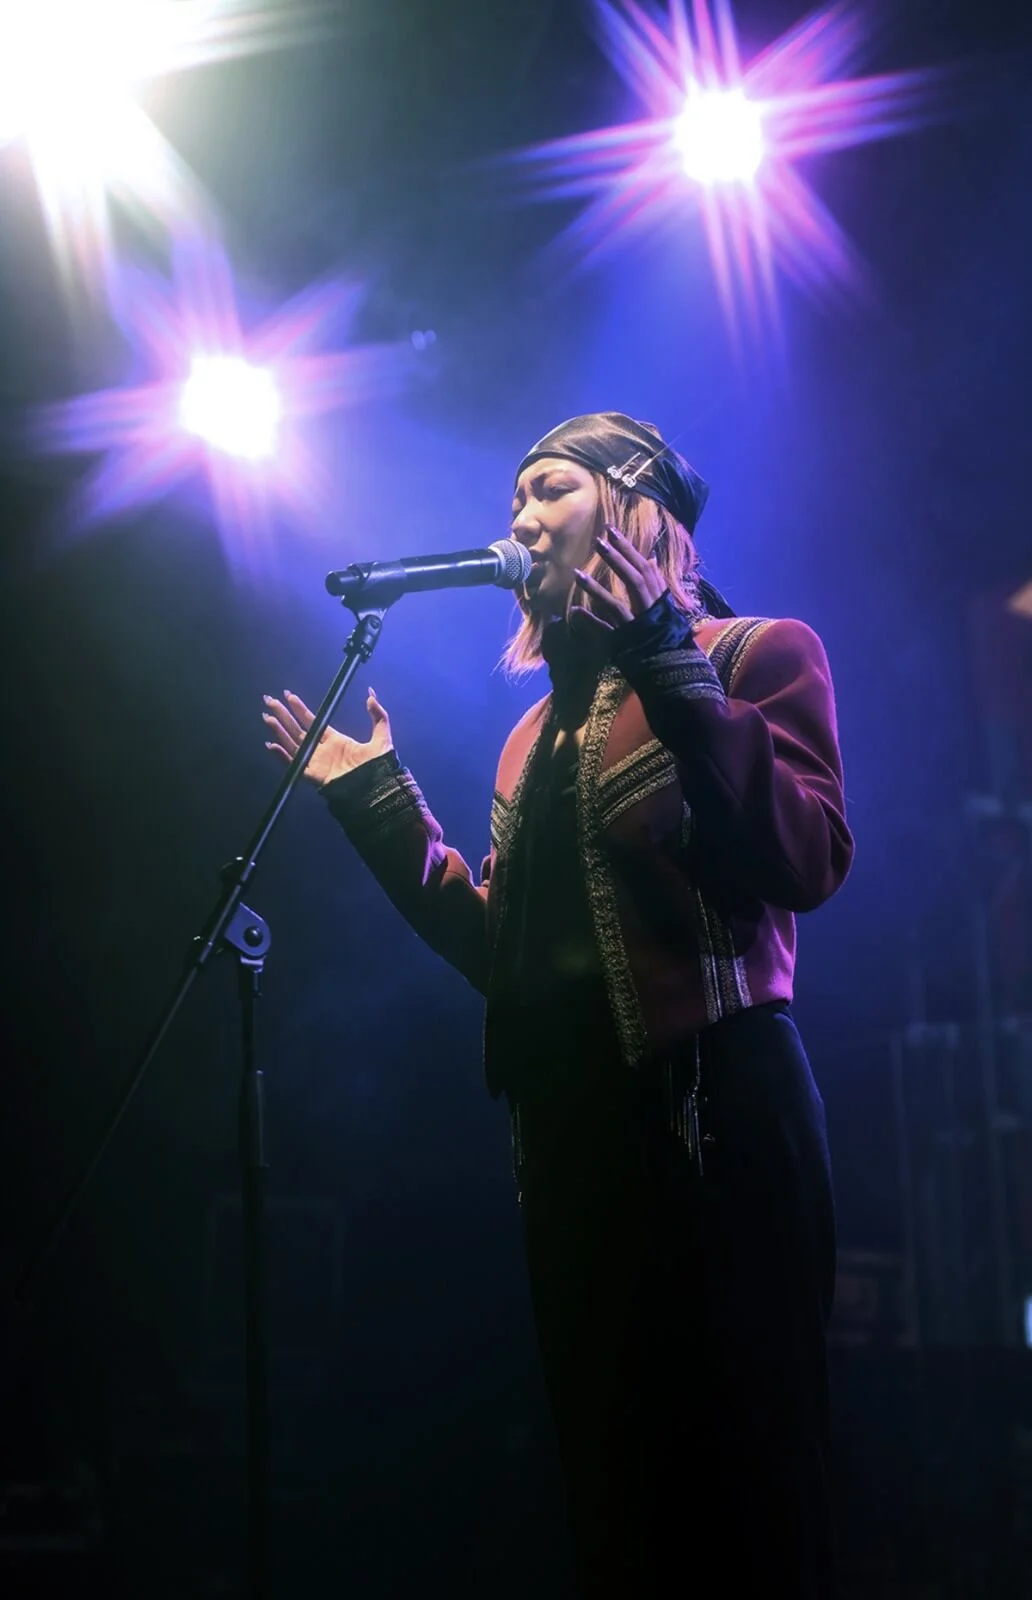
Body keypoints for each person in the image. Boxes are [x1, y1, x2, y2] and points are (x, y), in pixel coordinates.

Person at [262, 412, 854, 1598]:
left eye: (547, 488)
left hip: (717, 1125)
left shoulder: (754, 654)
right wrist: (382, 807)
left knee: (747, 1499)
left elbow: (809, 856)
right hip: (573, 1149)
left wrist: (670, 662)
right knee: (616, 1513)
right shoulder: (531, 738)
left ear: (634, 505)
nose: (520, 519)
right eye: (515, 499)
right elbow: (511, 958)